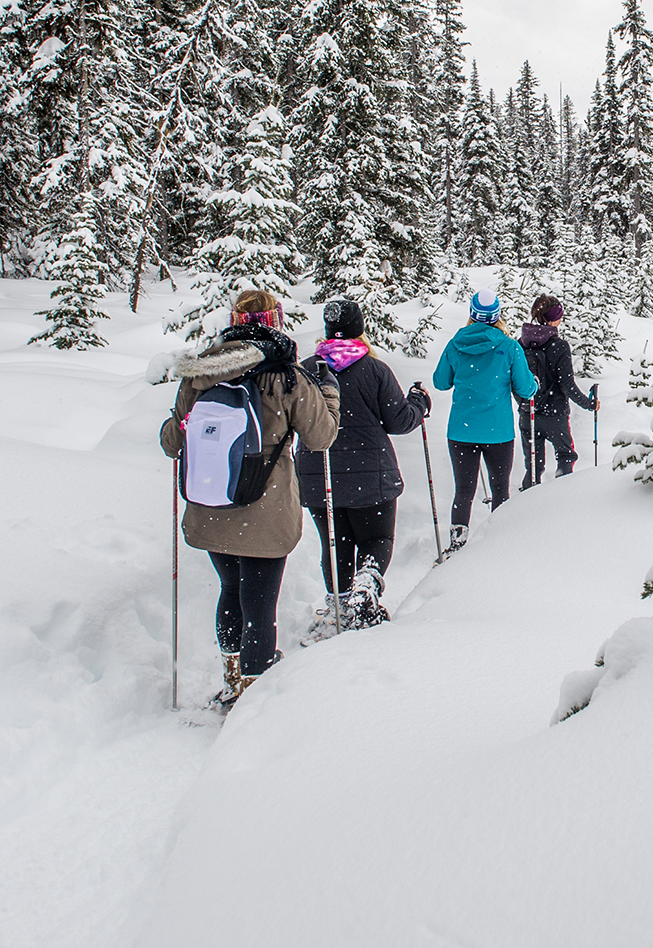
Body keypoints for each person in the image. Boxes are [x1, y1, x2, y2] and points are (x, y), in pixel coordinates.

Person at [160, 289, 339, 710]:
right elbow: (321, 436)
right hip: (264, 508)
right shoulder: (287, 375)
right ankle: (253, 699)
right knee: (259, 601)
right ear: (274, 321)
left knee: (231, 589)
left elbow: (173, 441)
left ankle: (232, 679)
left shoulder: (202, 373)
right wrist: (328, 394)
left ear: (234, 321)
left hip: (210, 504)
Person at [295, 299, 429, 640]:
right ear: (360, 329)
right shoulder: (374, 369)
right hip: (371, 473)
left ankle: (338, 606)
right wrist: (418, 403)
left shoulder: (307, 370)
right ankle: (366, 589)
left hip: (317, 471)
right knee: (376, 538)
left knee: (335, 542)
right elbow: (398, 421)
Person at [432, 289, 537, 555]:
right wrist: (533, 383)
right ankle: (496, 545)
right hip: (498, 432)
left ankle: (457, 543)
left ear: (472, 314)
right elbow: (525, 389)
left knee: (464, 490)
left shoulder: (456, 344)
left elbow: (440, 382)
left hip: (461, 430)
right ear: (496, 316)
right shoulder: (509, 346)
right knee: (500, 486)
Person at [518, 294, 599, 488]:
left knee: (533, 465)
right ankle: (562, 502)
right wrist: (589, 404)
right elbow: (567, 385)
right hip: (555, 414)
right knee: (565, 455)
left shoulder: (521, 344)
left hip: (528, 412)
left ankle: (526, 506)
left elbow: (515, 381)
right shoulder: (559, 346)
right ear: (554, 318)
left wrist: (522, 403)